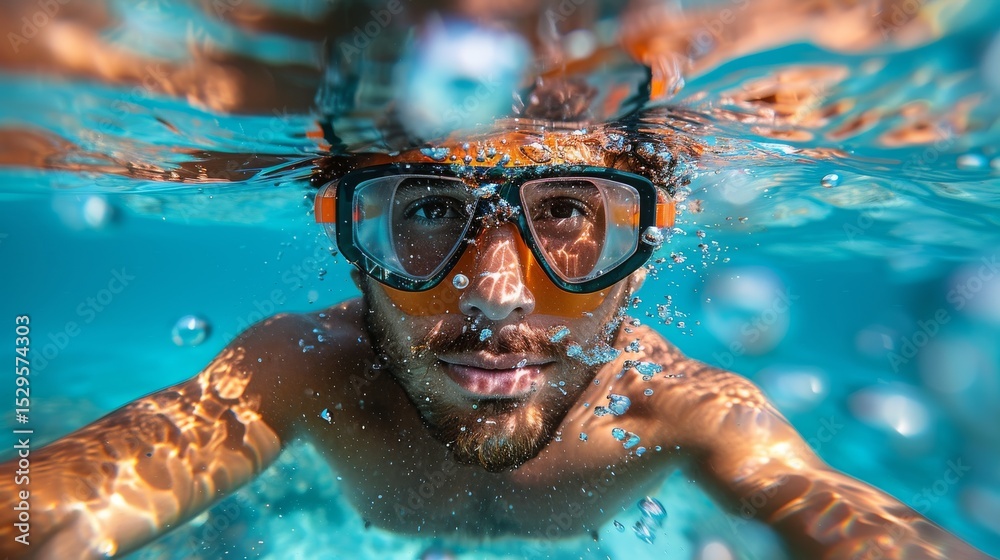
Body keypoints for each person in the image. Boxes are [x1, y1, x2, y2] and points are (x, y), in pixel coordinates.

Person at [0, 122, 993, 560]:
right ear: (355, 245)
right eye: (427, 209)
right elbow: (75, 493)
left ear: (640, 253)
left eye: (566, 213)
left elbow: (832, 513)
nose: (492, 295)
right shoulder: (308, 364)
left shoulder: (678, 407)